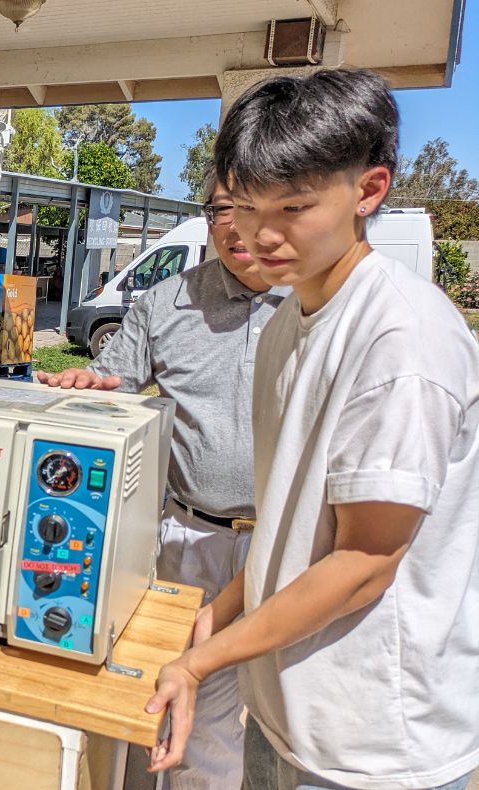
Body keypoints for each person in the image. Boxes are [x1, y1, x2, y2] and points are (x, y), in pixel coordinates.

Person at [146, 69, 479, 790]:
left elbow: (363, 561)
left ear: (369, 189)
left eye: (294, 206)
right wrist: (214, 618)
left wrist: (204, 659)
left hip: (379, 743)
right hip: (294, 710)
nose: (258, 235)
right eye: (242, 206)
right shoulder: (288, 323)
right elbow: (291, 524)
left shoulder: (402, 338)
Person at [38, 168, 283, 790]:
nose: (235, 225)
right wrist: (90, 386)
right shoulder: (168, 300)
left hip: (290, 547)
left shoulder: (314, 302)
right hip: (190, 542)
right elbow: (113, 379)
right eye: (221, 209)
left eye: (250, 207)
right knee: (186, 706)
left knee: (289, 710)